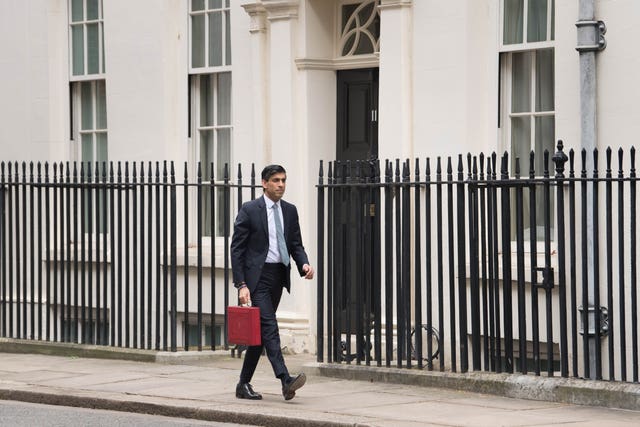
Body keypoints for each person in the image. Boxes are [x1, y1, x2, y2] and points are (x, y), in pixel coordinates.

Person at [230, 164, 314, 401]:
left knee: (260, 333)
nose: (281, 185)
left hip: (278, 276)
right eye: (276, 180)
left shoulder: (289, 210)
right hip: (257, 278)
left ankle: (243, 384)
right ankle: (285, 379)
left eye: (284, 180)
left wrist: (304, 264)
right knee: (269, 326)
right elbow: (236, 250)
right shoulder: (250, 210)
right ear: (264, 183)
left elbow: (295, 244)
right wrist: (241, 284)